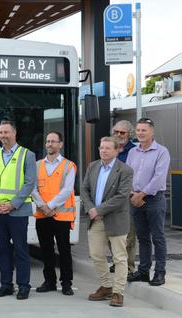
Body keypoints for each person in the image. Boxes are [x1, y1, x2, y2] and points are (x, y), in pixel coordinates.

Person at [0, 120, 36, 300]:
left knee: (20, 250)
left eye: (6, 132)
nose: (3, 136)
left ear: (14, 133)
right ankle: (6, 285)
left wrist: (12, 204)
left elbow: (30, 183)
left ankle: (23, 286)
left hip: (17, 212)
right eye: (1, 133)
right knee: (2, 250)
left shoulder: (27, 155)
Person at [81, 136, 133, 308]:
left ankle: (118, 292)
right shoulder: (93, 166)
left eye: (107, 148)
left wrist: (99, 209)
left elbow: (122, 196)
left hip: (115, 219)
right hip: (95, 219)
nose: (103, 150)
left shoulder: (125, 170)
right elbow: (84, 189)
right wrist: (90, 209)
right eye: (101, 147)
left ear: (117, 150)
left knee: (119, 257)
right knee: (96, 255)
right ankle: (106, 286)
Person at [126, 118, 170, 286]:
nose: (140, 133)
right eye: (138, 130)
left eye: (144, 130)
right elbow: (128, 175)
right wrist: (133, 195)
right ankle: (143, 271)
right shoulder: (132, 152)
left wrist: (142, 194)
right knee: (143, 237)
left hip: (153, 199)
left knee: (158, 237)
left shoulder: (161, 151)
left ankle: (160, 273)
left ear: (152, 132)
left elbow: (159, 178)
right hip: (135, 199)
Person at [31, 131, 76, 296]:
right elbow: (32, 189)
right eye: (48, 141)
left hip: (61, 216)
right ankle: (49, 281)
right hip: (43, 215)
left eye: (53, 141)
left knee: (64, 250)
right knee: (46, 250)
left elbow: (67, 190)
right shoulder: (36, 165)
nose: (50, 144)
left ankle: (66, 283)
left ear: (60, 144)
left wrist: (49, 206)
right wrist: (43, 207)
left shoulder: (69, 166)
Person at [111, 120, 137, 275]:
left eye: (122, 133)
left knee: (128, 234)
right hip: (110, 199)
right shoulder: (109, 149)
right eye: (116, 132)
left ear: (129, 134)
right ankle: (117, 262)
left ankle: (128, 266)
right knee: (111, 234)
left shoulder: (134, 151)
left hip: (127, 198)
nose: (119, 135)